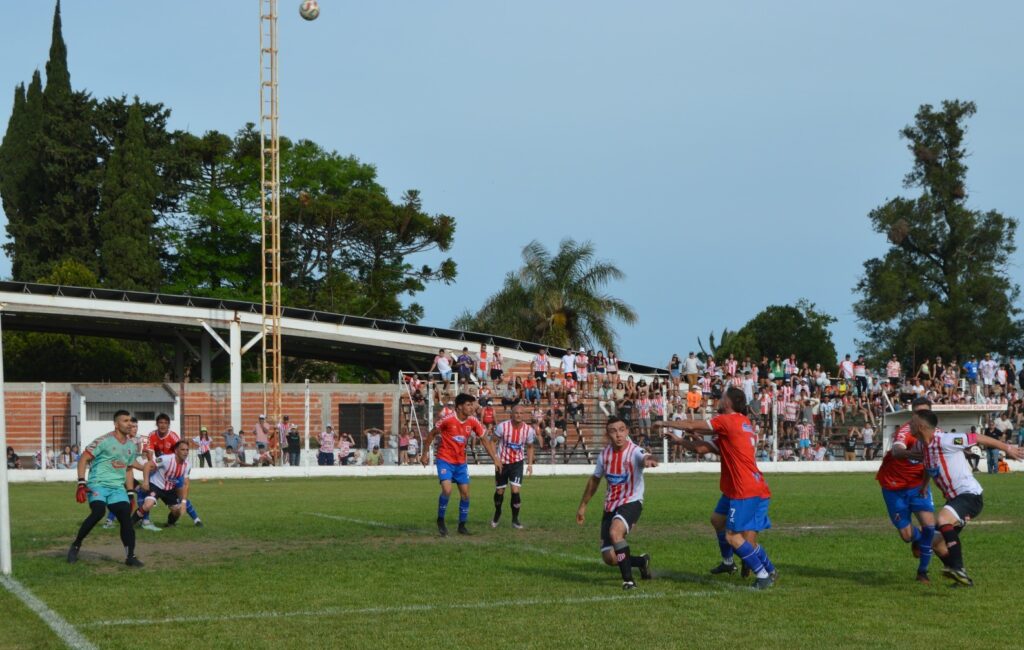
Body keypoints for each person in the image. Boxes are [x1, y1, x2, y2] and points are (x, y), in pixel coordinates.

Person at [656, 387, 777, 589]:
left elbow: (692, 424)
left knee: (734, 537)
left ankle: (763, 575)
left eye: (722, 398)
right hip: (743, 486)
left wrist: (665, 421)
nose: (718, 401)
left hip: (744, 488)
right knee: (717, 520)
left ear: (728, 403)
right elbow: (704, 448)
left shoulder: (727, 420)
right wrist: (680, 440)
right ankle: (732, 564)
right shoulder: (742, 423)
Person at [913, 409, 1024, 586]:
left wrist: (1008, 448)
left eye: (912, 422)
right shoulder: (923, 447)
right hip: (955, 500)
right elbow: (929, 468)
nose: (909, 425)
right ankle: (962, 579)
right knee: (935, 541)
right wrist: (924, 486)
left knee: (942, 519)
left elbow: (976, 438)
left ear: (920, 426)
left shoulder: (945, 440)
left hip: (970, 495)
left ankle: (958, 569)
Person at [575, 417, 656, 590]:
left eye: (621, 430)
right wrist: (583, 505)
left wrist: (649, 459)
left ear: (627, 431)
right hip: (610, 504)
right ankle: (642, 561)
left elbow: (645, 455)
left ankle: (628, 581)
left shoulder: (635, 451)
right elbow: (595, 480)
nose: (618, 434)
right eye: (613, 431)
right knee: (610, 558)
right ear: (607, 434)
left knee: (615, 531)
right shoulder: (604, 455)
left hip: (632, 501)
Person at [66, 410, 143, 567]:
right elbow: (83, 458)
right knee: (98, 511)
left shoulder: (130, 445)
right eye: (125, 421)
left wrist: (130, 493)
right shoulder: (104, 440)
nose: (129, 424)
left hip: (117, 488)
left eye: (130, 421)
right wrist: (81, 483)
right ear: (116, 424)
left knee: (125, 517)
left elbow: (128, 469)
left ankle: (130, 556)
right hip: (98, 483)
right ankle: (76, 545)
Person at [420, 393, 502, 537]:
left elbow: (484, 440)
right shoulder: (447, 420)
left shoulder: (473, 421)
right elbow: (432, 434)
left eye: (472, 405)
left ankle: (462, 525)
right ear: (459, 407)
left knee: (465, 494)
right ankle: (440, 520)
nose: (472, 408)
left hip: (461, 463)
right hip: (445, 459)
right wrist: (425, 453)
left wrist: (495, 458)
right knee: (447, 490)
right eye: (468, 405)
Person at [491, 405, 536, 529]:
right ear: (511, 414)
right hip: (502, 464)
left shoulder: (528, 430)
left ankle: (515, 519)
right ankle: (497, 512)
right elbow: (492, 441)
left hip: (517, 463)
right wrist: (496, 458)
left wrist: (530, 464)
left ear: (524, 415)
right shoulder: (502, 427)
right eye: (516, 413)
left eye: (521, 413)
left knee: (515, 491)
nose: (519, 415)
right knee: (500, 491)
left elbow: (530, 447)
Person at [133, 440, 193, 530]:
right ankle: (129, 523)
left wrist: (184, 503)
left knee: (178, 511)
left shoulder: (187, 465)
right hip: (156, 486)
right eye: (183, 450)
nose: (185, 452)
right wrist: (145, 482)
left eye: (187, 450)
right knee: (148, 505)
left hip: (169, 489)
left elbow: (186, 484)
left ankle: (170, 524)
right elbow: (148, 465)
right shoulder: (166, 459)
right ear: (176, 451)